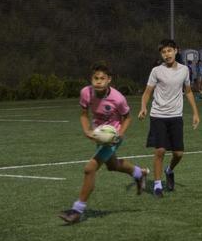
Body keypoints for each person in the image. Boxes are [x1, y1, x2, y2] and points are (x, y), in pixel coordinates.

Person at [60, 63, 148, 224]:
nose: (98, 81)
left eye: (102, 78)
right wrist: (87, 130)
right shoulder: (86, 93)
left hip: (112, 137)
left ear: (109, 80)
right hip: (99, 135)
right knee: (112, 165)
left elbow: (127, 117)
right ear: (91, 79)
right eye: (95, 78)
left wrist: (119, 135)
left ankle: (77, 210)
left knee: (89, 169)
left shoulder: (118, 98)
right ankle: (138, 173)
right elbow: (84, 114)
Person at [137, 40, 201, 198]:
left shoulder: (184, 70)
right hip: (158, 115)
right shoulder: (156, 71)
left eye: (169, 51)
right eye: (163, 52)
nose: (167, 54)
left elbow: (188, 92)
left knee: (178, 153)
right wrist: (143, 107)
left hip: (176, 116)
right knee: (160, 150)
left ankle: (169, 171)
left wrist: (195, 113)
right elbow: (147, 93)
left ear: (176, 51)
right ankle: (158, 185)